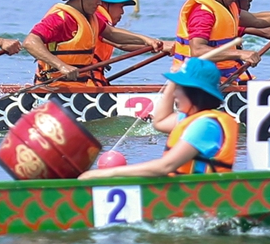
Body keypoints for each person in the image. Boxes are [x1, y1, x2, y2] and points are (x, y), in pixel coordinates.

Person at [82, 59, 241, 179]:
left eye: (179, 89)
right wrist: (173, 80)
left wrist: (108, 173)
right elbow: (159, 121)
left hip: (200, 202)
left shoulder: (205, 125)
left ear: (194, 93)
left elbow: (167, 166)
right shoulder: (192, 119)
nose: (174, 94)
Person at [25, 0, 166, 85]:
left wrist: (147, 40)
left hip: (79, 87)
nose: (99, 3)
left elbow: (112, 33)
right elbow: (30, 42)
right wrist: (61, 66)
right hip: (54, 88)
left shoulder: (91, 18)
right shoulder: (60, 18)